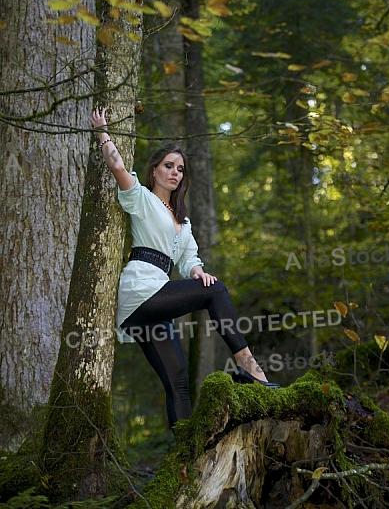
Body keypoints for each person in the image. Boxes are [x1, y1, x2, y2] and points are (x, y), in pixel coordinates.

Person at [91, 108, 280, 429]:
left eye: (180, 169)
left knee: (178, 383)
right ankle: (250, 367)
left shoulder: (183, 220)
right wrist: (102, 132)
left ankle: (185, 460)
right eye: (168, 166)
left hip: (156, 303)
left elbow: (189, 260)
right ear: (154, 171)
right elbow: (118, 166)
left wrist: (197, 273)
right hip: (141, 290)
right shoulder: (141, 198)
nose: (175, 172)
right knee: (217, 292)